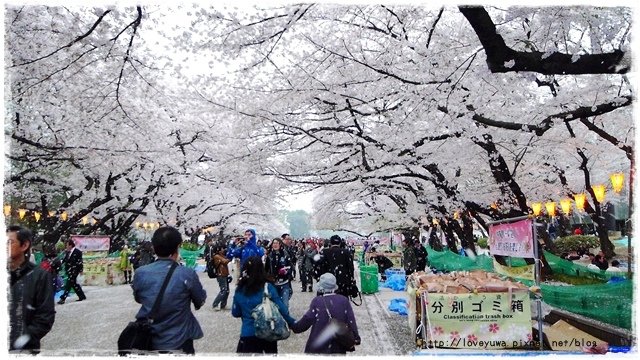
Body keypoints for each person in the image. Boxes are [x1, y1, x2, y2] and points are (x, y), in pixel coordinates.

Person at [131, 226, 207, 354]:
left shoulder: (140, 273)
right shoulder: (186, 274)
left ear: (154, 248)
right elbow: (199, 301)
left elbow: (138, 298)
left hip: (149, 339)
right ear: (178, 247)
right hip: (180, 339)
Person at [232, 256, 296, 354]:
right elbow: (282, 309)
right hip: (268, 333)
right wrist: (292, 323)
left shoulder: (240, 289)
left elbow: (235, 313)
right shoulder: (267, 287)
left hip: (248, 333)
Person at [7, 225, 56, 353]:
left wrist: (23, 338)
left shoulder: (39, 276)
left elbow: (45, 316)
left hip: (22, 350)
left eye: (9, 242)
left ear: (24, 245)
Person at [291, 273, 361, 354]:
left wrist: (294, 326)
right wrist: (356, 338)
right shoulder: (344, 301)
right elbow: (351, 321)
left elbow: (306, 321)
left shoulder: (317, 301)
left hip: (318, 347)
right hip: (337, 348)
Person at [264, 238, 294, 309]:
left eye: (277, 243)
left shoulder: (285, 254)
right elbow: (266, 269)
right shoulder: (270, 256)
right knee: (274, 305)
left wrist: (286, 271)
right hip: (274, 283)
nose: (275, 245)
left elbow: (290, 266)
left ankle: (285, 318)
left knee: (284, 304)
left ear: (280, 244)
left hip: (284, 283)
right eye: (274, 243)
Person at [57, 239, 86, 304]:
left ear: (70, 245)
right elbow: (64, 260)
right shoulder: (68, 252)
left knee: (68, 284)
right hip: (69, 270)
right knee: (74, 284)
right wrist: (59, 263)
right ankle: (82, 296)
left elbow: (80, 262)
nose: (66, 247)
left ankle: (63, 298)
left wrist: (81, 270)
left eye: (66, 245)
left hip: (75, 270)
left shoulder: (78, 252)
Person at [211, 245, 232, 310]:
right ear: (219, 250)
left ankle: (223, 305)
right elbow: (224, 261)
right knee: (223, 290)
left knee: (227, 291)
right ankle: (215, 304)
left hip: (225, 274)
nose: (224, 250)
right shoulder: (216, 256)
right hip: (220, 275)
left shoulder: (222, 256)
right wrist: (230, 258)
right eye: (223, 248)